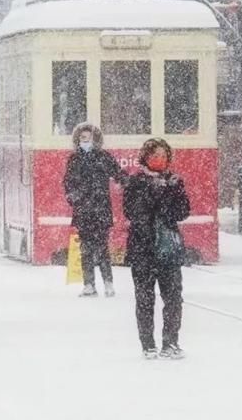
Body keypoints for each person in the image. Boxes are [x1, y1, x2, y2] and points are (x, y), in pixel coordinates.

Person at [123, 138, 190, 360]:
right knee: (145, 297)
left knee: (173, 297)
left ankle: (171, 342)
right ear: (146, 158)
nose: (159, 160)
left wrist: (171, 193)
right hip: (143, 248)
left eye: (163, 156)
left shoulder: (175, 181)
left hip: (168, 249)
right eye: (155, 156)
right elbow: (133, 213)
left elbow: (182, 212)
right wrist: (153, 193)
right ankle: (148, 344)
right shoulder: (136, 182)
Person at [63, 123, 127, 298]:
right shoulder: (74, 159)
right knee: (86, 249)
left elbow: (118, 174)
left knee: (102, 248)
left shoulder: (103, 157)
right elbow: (68, 183)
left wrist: (128, 182)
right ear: (78, 139)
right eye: (82, 138)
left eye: (88, 138)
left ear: (95, 139)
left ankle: (107, 283)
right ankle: (89, 284)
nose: (85, 141)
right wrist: (73, 198)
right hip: (84, 209)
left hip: (99, 209)